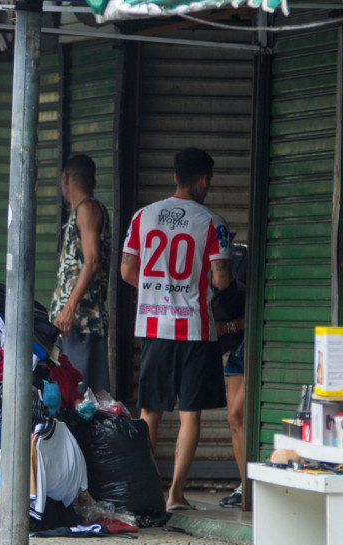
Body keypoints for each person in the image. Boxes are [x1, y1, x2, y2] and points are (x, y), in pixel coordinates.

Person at [120, 147, 233, 514]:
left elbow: (126, 270)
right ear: (204, 180)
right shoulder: (212, 221)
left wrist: (157, 292)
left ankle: (147, 492)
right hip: (196, 330)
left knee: (149, 412)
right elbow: (221, 276)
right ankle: (176, 494)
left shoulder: (142, 217)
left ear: (174, 177)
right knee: (190, 414)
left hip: (154, 327)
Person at [49, 154, 112, 393]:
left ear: (65, 178)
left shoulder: (87, 208)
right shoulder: (80, 211)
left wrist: (69, 306)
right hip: (73, 323)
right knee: (68, 392)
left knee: (80, 395)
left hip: (81, 321)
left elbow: (92, 260)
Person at [212, 243, 248, 509]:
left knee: (238, 412)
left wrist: (227, 326)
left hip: (252, 346)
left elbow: (259, 309)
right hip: (236, 348)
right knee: (233, 417)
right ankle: (244, 484)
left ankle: (251, 483)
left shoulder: (245, 268)